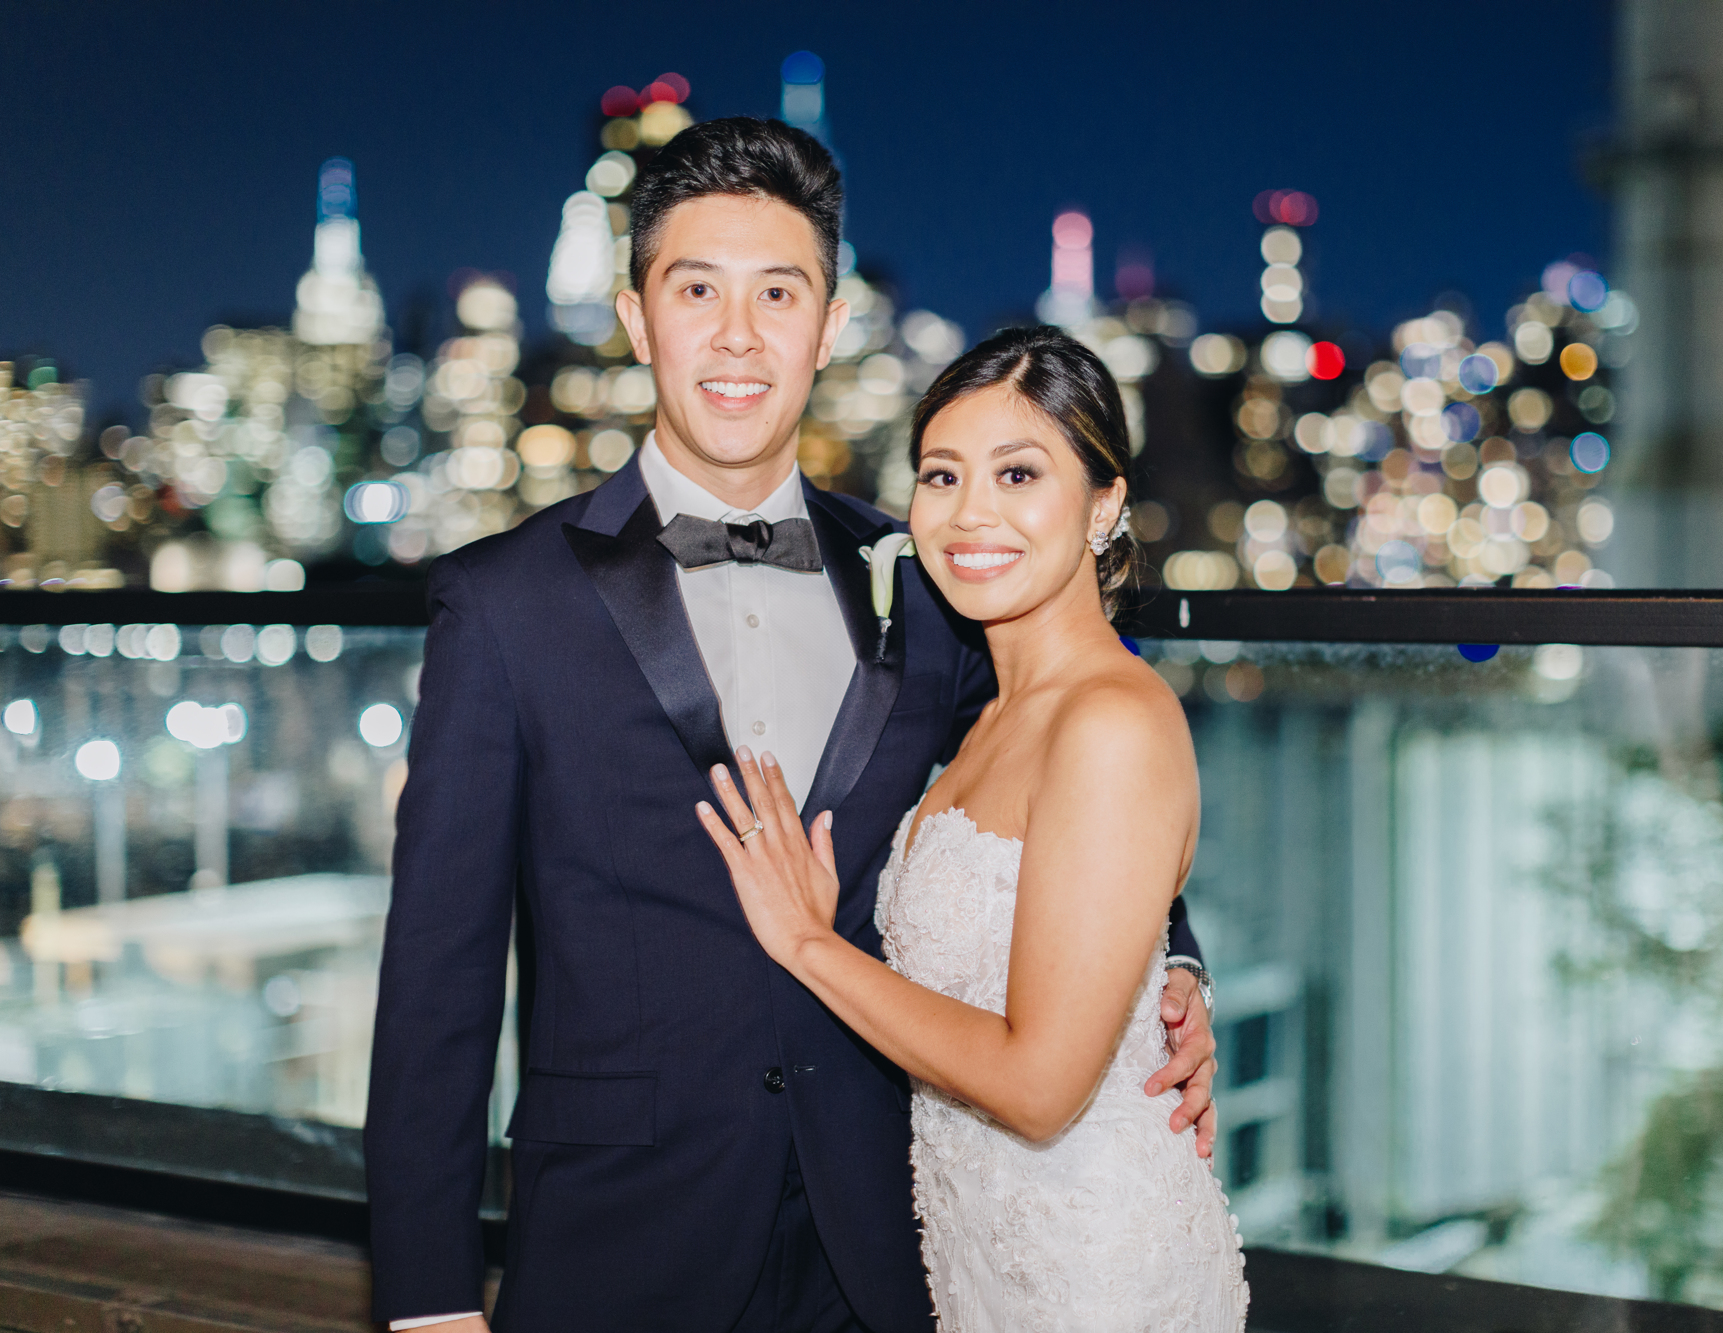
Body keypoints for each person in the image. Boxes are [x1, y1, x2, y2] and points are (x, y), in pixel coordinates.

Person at [364, 118, 1221, 1333]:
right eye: (694, 289)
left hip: (875, 1242)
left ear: (827, 325)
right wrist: (425, 1300)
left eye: (778, 293)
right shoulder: (506, 603)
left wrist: (1168, 967)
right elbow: (436, 984)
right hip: (619, 1239)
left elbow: (1055, 763)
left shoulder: (928, 573)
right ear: (634, 316)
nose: (735, 334)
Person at [696, 324, 1250, 1332]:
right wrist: (1174, 969)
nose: (970, 513)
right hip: (974, 1260)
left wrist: (809, 943)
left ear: (1105, 500)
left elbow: (1038, 1085)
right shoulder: (986, 712)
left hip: (1092, 1276)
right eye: (941, 475)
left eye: (1018, 472)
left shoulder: (1112, 719)